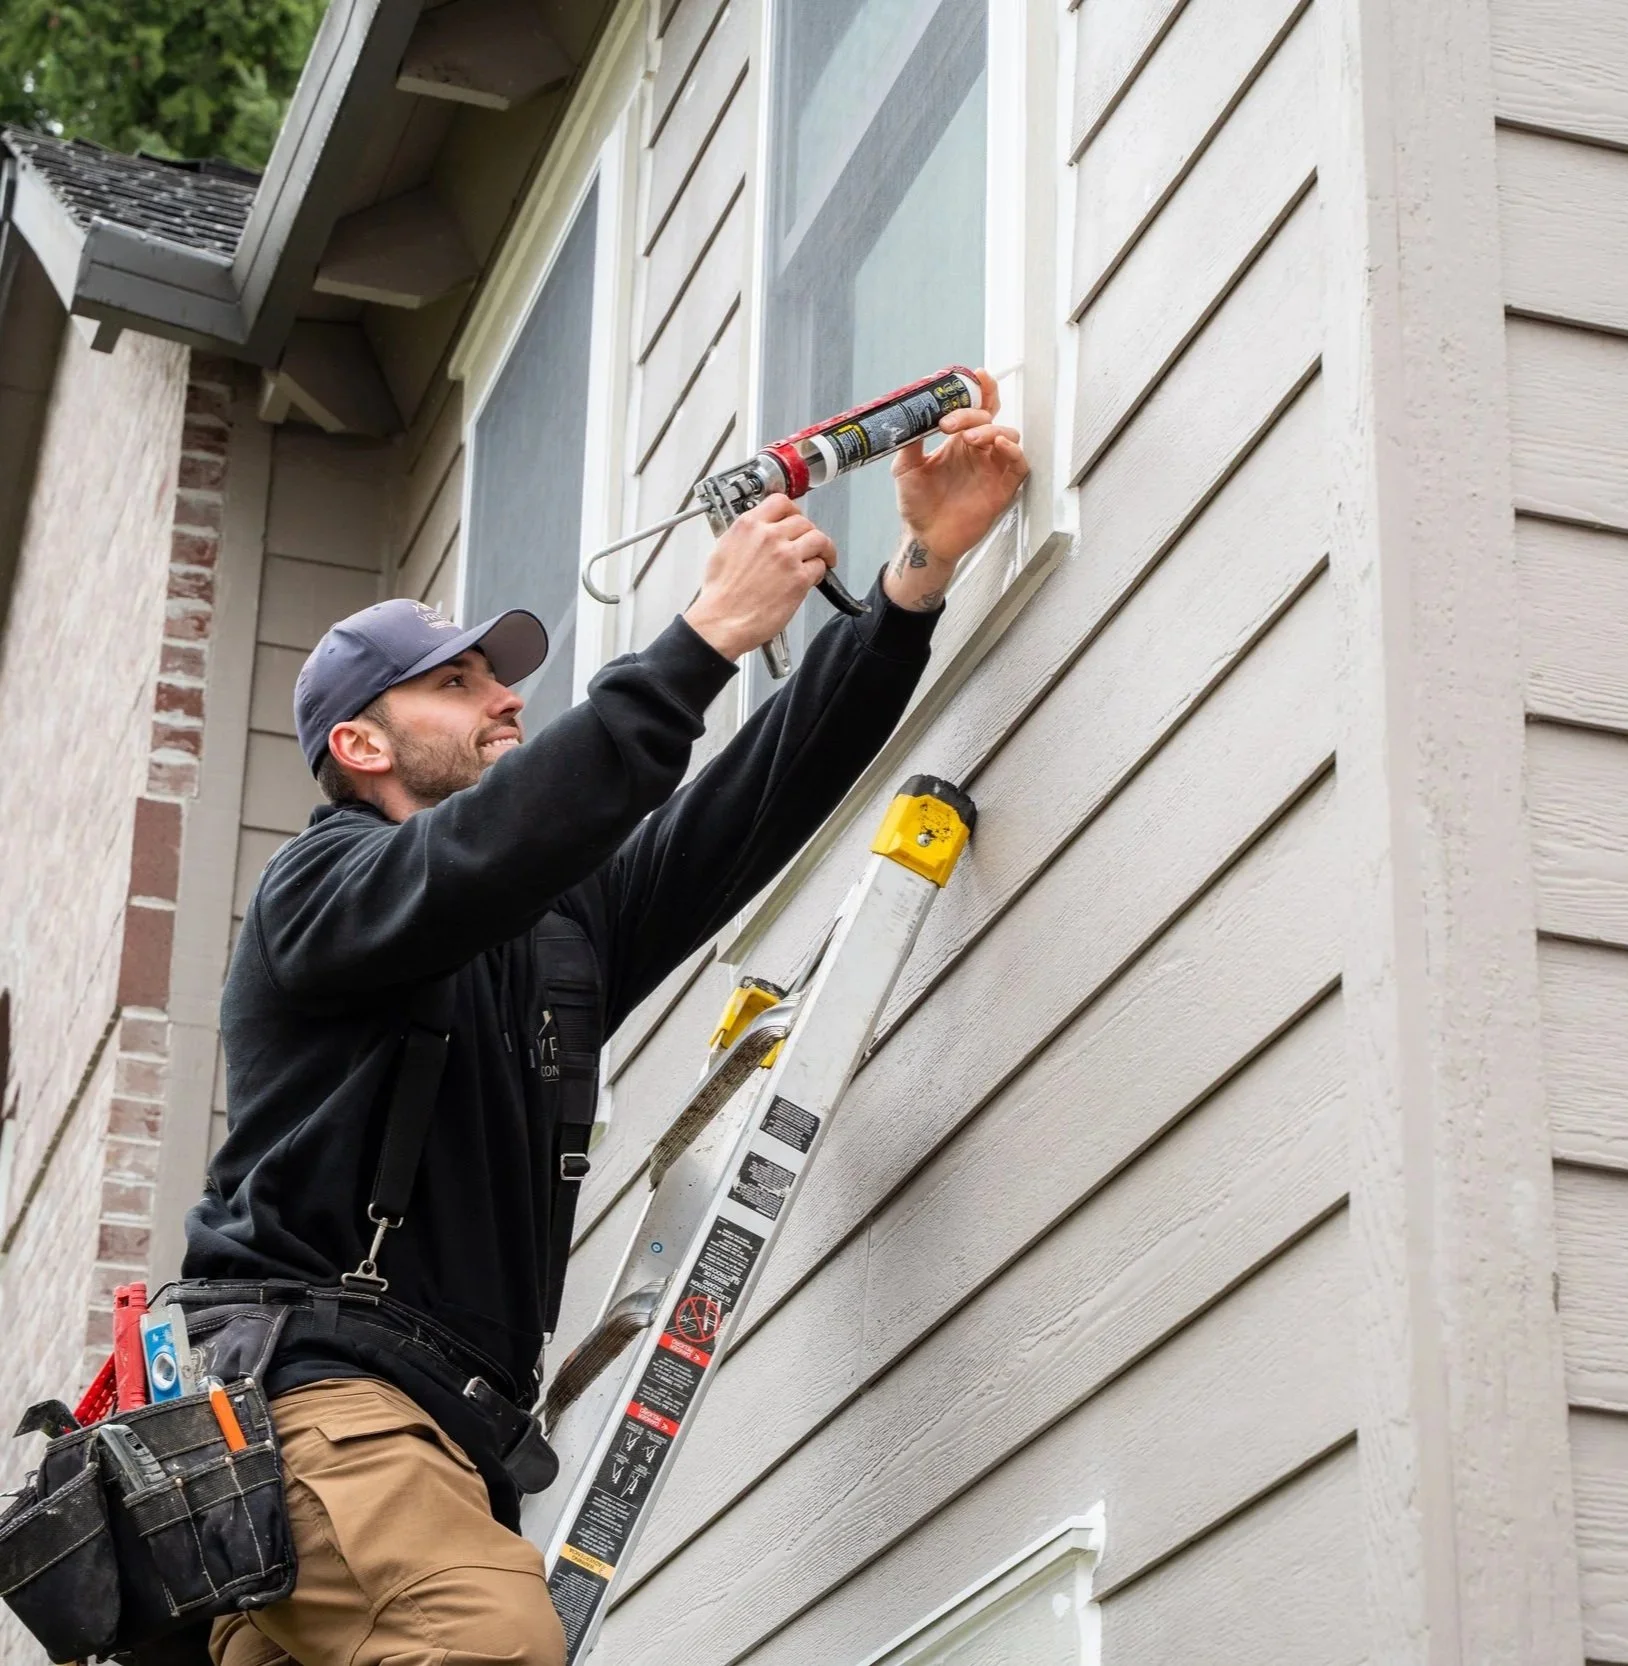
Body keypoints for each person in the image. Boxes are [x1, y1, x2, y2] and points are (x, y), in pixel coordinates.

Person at [182, 372, 1027, 1664]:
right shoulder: (318, 893)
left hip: (435, 1449)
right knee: (495, 1637)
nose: (507, 699)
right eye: (458, 684)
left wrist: (914, 574)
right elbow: (480, 855)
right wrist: (700, 640)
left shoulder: (551, 933)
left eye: (499, 678)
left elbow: (745, 806)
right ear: (361, 746)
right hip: (318, 1408)